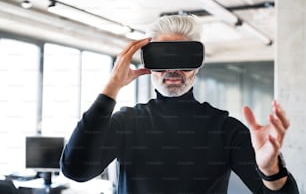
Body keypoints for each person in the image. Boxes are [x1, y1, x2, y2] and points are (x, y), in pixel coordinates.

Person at [61, 15, 299, 193]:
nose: (173, 70)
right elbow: (76, 170)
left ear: (197, 66)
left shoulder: (226, 129)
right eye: (164, 59)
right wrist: (111, 87)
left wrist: (271, 170)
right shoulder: (127, 123)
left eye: (183, 60)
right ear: (149, 65)